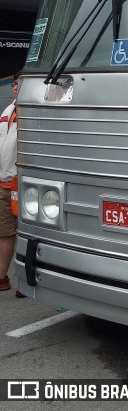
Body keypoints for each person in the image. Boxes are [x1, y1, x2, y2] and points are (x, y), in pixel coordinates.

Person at [0, 70, 24, 297]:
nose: (14, 87)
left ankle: (25, 282)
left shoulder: (32, 112)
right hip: (4, 182)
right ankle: (2, 278)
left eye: (19, 83)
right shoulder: (8, 111)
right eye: (14, 84)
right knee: (5, 232)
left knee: (26, 232)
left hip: (22, 184)